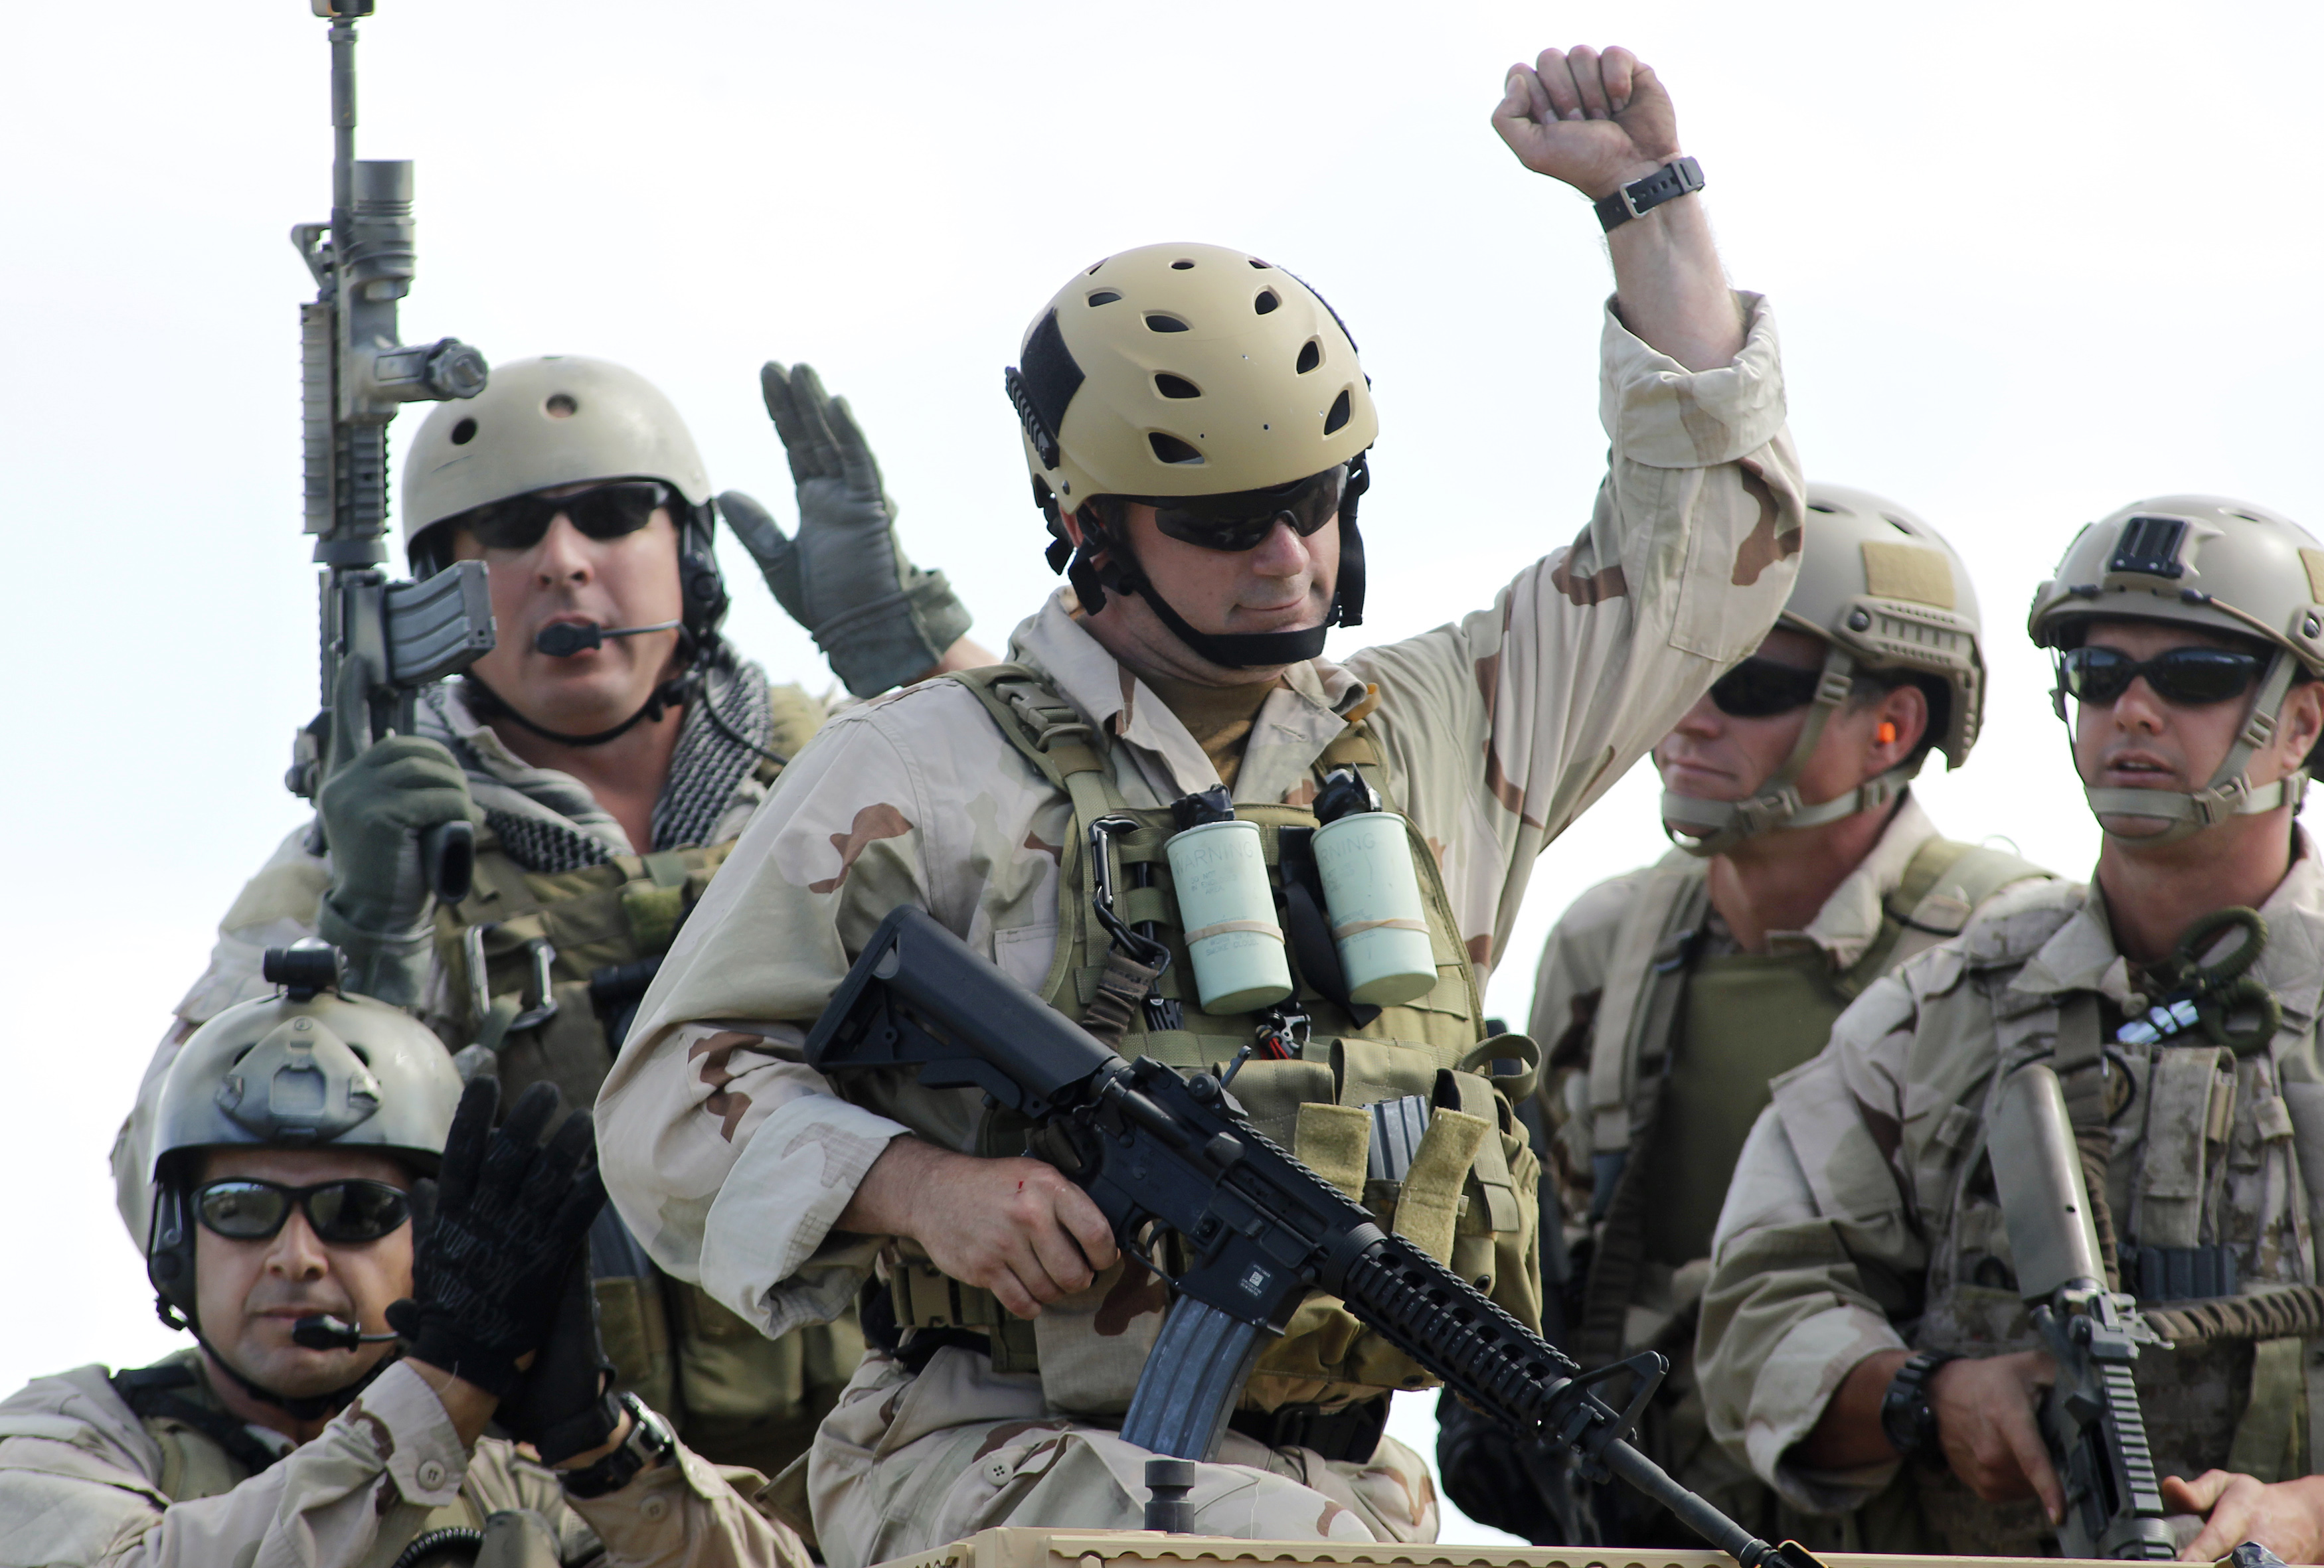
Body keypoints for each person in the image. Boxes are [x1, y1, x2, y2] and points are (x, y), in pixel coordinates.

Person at [592, 42, 1805, 1568]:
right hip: (992, 1462)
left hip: (1355, 1491)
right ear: (1088, 530)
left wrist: (1648, 200)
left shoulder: (1435, 727)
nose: (1288, 555)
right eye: (1228, 523)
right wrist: (922, 1186)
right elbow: (663, 1097)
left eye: (1317, 501)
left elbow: (1706, 545)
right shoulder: (920, 771)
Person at [110, 355, 993, 1479]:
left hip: (921, 1446)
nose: (565, 563)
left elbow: (1105, 889)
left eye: (616, 514)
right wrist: (367, 944)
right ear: (442, 592)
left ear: (690, 551)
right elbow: (168, 1193)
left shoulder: (860, 772)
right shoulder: (372, 850)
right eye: (511, 530)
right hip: (560, 1487)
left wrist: (920, 661)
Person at [1697, 496, 2324, 1561]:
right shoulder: (1948, 1007)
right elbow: (1763, 1300)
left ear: (2304, 721)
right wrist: (1927, 1395)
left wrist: (2310, 1514)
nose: (2131, 709)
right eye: (2098, 672)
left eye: (2195, 677)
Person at [1436, 486, 2050, 1548]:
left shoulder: (2012, 951)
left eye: (1750, 683)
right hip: (1652, 1521)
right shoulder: (1607, 944)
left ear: (1892, 726)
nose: (1690, 716)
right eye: (1685, 671)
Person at [1, 950, 804, 1567]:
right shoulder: (62, 1437)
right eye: (240, 1209)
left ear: (432, 1241)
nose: (296, 1257)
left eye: (355, 1212)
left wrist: (602, 1448)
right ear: (178, 1242)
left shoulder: (515, 1483)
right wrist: (444, 1389)